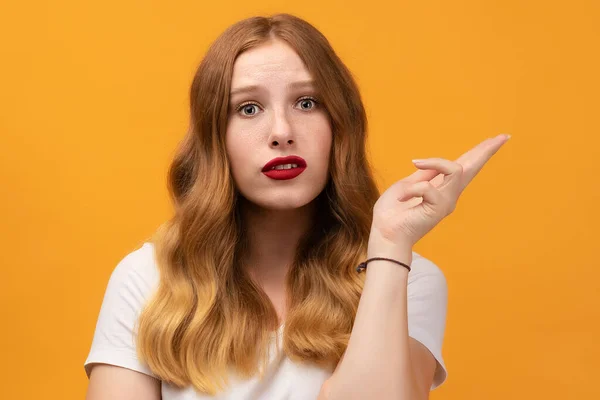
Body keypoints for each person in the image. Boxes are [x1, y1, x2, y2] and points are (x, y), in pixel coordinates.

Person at [84, 13, 509, 400]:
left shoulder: (406, 279)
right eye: (248, 108)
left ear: (339, 125)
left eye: (307, 103)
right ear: (217, 139)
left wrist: (390, 245)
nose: (282, 132)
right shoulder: (148, 281)